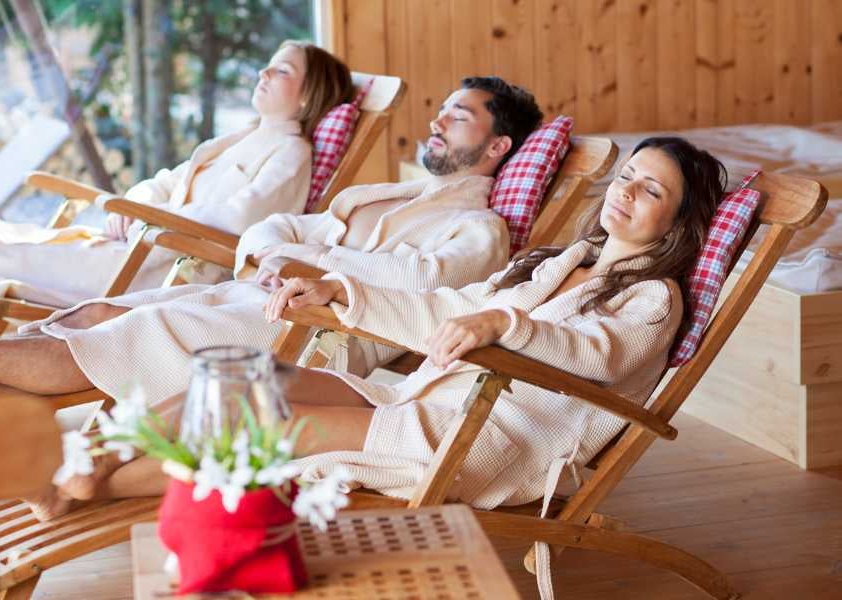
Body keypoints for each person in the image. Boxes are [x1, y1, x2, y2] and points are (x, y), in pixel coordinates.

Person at [45, 136, 727, 515]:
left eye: (651, 190)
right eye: (627, 176)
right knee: (249, 377)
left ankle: (80, 481)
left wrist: (501, 324)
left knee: (273, 425)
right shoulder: (552, 264)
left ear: (678, 222)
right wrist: (343, 289)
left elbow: (595, 357)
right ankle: (93, 465)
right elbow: (444, 310)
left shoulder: (651, 300)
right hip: (422, 400)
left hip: (486, 438)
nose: (626, 193)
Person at [0, 77, 543, 428]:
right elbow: (275, 227)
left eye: (458, 116)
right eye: (441, 110)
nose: (437, 121)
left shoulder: (480, 227)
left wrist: (308, 264)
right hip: (265, 295)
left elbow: (415, 284)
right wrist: (278, 257)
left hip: (321, 333)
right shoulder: (390, 193)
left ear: (498, 147)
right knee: (97, 313)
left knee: (139, 326)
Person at [0, 41, 353, 307]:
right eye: (267, 65)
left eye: (281, 71)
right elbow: (167, 181)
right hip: (137, 242)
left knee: (1, 253)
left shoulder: (291, 153)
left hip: (162, 265)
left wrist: (150, 224)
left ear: (307, 97)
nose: (264, 73)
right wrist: (136, 204)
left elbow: (242, 224)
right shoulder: (240, 137)